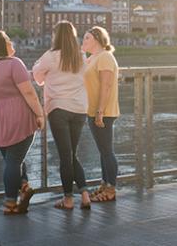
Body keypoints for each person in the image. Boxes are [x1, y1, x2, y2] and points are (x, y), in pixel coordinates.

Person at [0, 30, 44, 215]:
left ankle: (23, 187)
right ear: (2, 46)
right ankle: (10, 202)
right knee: (14, 161)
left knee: (12, 159)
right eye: (8, 40)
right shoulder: (14, 64)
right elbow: (29, 92)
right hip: (19, 116)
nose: (12, 42)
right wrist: (40, 114)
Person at [33, 21, 91, 210]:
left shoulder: (50, 56)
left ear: (56, 36)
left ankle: (68, 199)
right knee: (72, 154)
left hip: (59, 108)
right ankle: (84, 194)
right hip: (79, 109)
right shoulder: (81, 56)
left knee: (66, 156)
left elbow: (37, 77)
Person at [82, 26, 119, 202]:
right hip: (93, 111)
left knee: (107, 151)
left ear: (97, 39)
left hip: (103, 111)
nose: (83, 41)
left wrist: (100, 111)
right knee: (103, 151)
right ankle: (105, 184)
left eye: (87, 38)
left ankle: (111, 189)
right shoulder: (92, 59)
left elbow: (106, 85)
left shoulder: (104, 57)